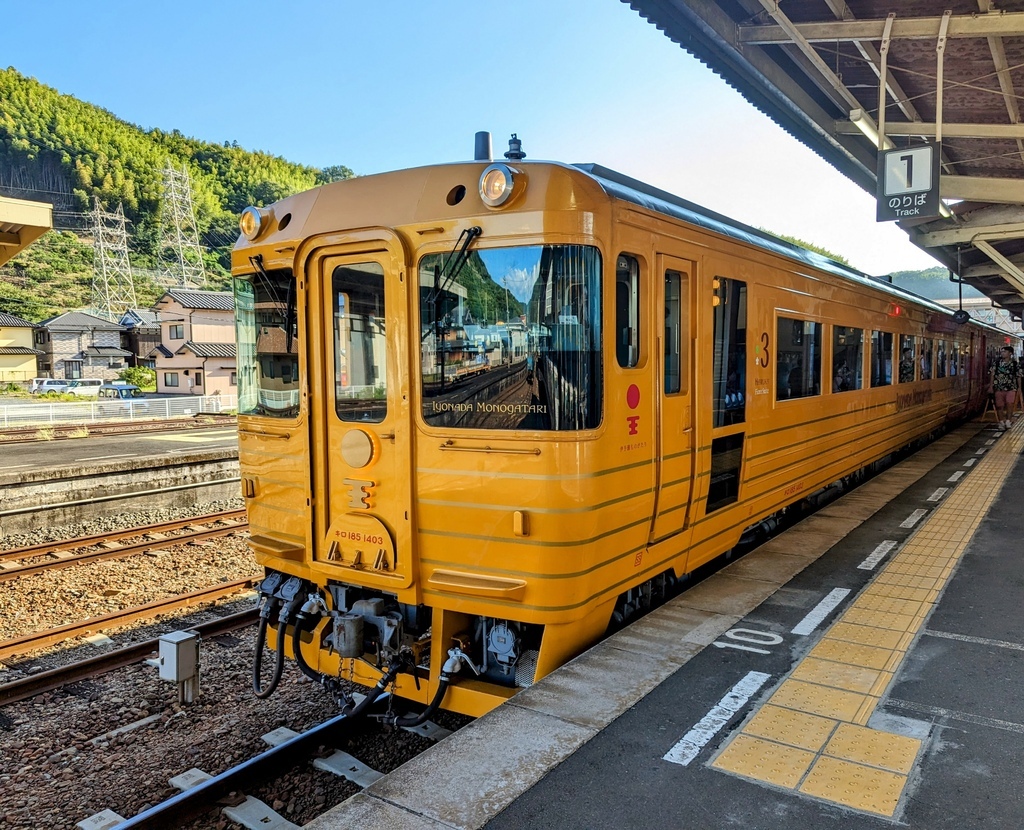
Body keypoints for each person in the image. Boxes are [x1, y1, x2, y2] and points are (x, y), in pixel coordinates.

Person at [989, 346, 1020, 430]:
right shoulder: (997, 363)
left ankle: (1008, 421)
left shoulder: (1015, 364)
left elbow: (1018, 376)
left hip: (1011, 388)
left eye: (1004, 352)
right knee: (1000, 406)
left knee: (1009, 404)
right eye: (1002, 352)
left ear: (1010, 353)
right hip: (998, 387)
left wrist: (1019, 388)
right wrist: (991, 386)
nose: (1002, 353)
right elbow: (992, 374)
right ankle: (1001, 422)